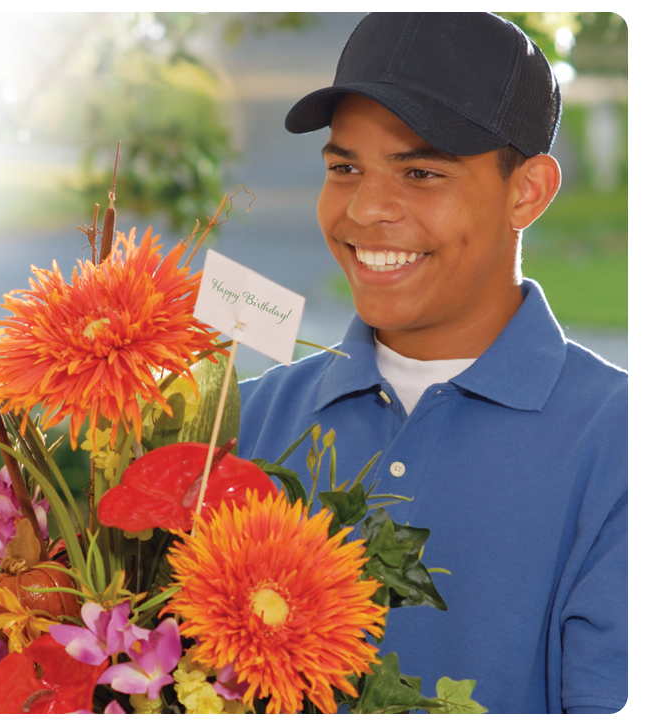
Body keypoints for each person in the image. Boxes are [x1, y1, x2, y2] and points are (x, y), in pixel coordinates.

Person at [237, 13, 627, 715]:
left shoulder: (622, 446)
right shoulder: (245, 421)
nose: (366, 208)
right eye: (344, 167)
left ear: (527, 192)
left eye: (420, 172)